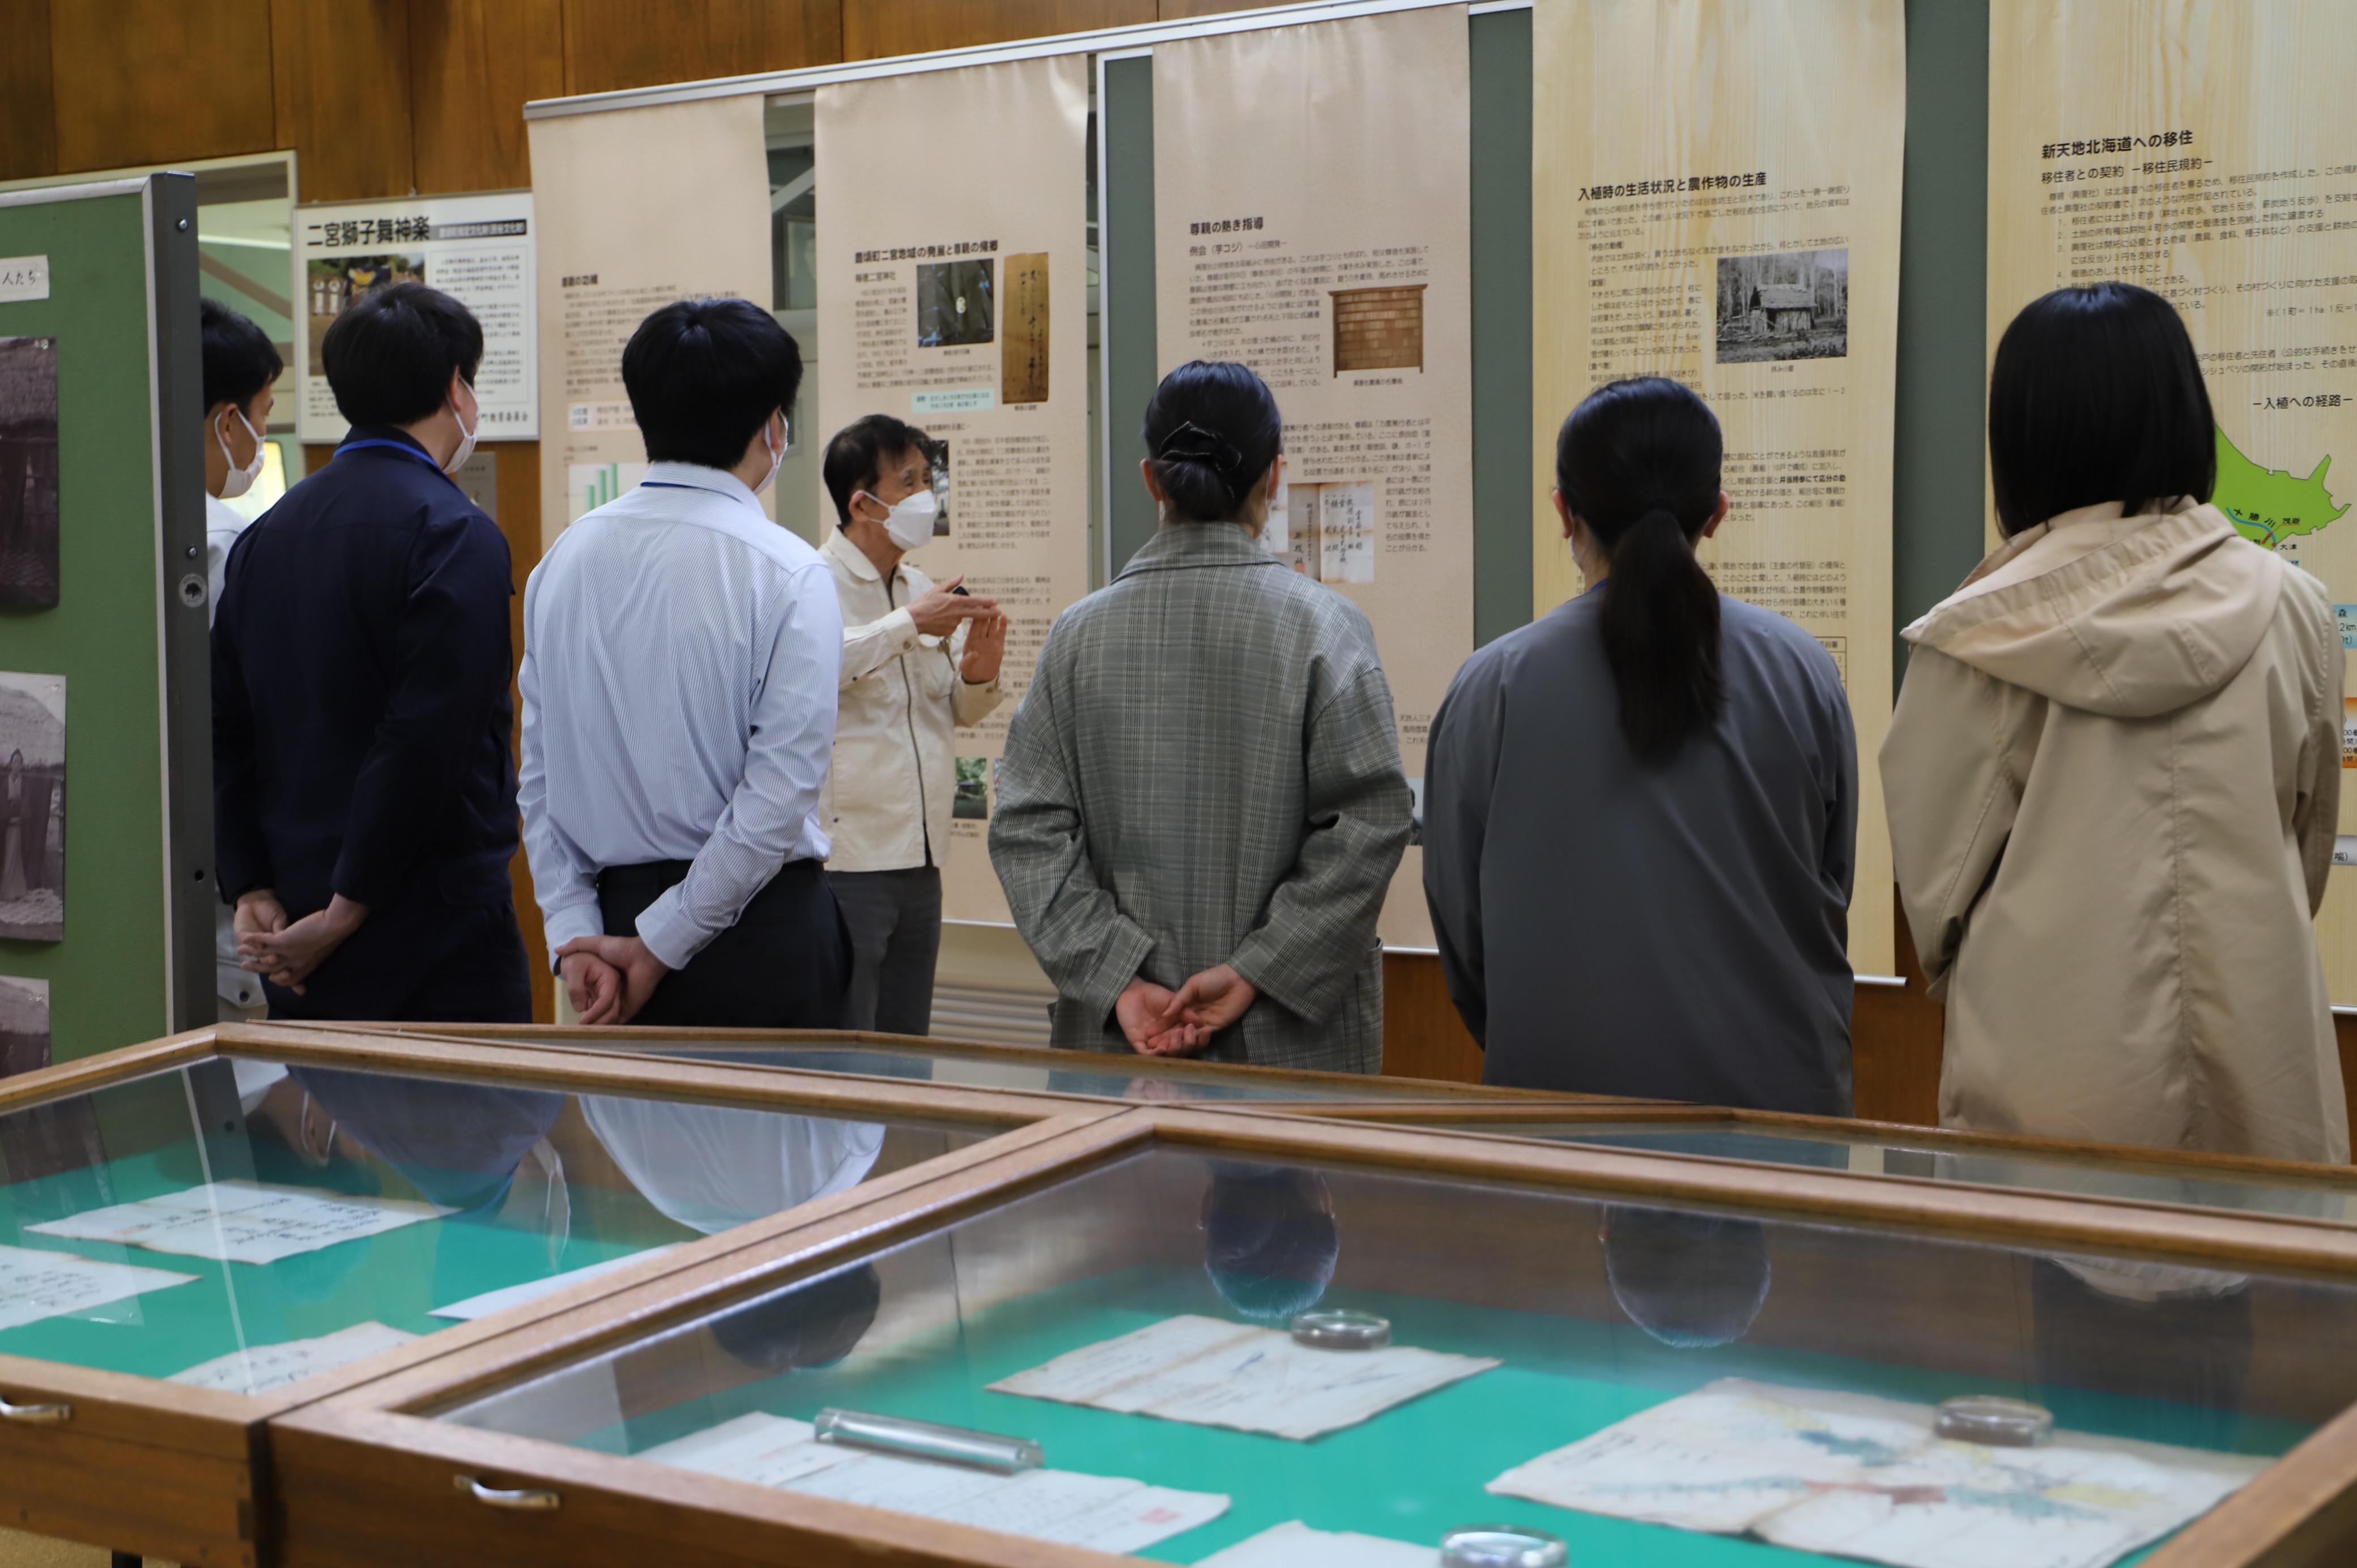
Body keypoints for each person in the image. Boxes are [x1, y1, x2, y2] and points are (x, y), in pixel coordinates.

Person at [1884, 282, 2347, 1161]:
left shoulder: (1974, 634)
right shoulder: (2296, 608)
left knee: (2069, 1269)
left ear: (2019, 436)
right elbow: (2305, 840)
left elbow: (1937, 899)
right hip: (2260, 1047)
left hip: (2051, 1070)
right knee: (2251, 1263)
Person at [1422, 377, 1857, 1111]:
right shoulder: (1803, 671)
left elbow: (1465, 935)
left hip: (1561, 1117)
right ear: (1715, 514)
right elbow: (1827, 887)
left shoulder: (1491, 688)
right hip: (1780, 1119)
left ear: (1565, 512)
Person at [991, 360, 1412, 1071]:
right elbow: (1370, 823)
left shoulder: (1076, 637)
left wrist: (1120, 976)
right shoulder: (1326, 628)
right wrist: (1255, 969)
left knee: (1119, 1186)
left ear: (1151, 478)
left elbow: (1026, 829)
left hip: (1121, 1045)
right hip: (1288, 1049)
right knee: (1296, 1184)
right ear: (1273, 477)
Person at [520, 298, 847, 1029]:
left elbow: (538, 779)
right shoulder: (787, 570)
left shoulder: (560, 564)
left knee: (631, 1140)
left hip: (605, 937)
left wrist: (575, 933)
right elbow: (778, 793)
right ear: (773, 425)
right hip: (754, 933)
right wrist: (659, 943)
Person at [213, 282, 530, 1022]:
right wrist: (347, 910)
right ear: (457, 387)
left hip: (293, 931)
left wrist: (254, 885)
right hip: (432, 930)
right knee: (470, 1131)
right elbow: (427, 738)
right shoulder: (456, 533)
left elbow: (226, 727)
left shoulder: (267, 536)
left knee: (331, 1125)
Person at [818, 415, 1006, 1036]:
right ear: (862, 503)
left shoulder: (919, 586)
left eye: (929, 478)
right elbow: (817, 668)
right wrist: (906, 626)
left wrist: (977, 675)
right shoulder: (811, 582)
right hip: (850, 861)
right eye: (911, 482)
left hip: (923, 857)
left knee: (906, 1039)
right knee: (848, 1043)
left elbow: (953, 708)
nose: (927, 495)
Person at [199, 297, 282, 1019]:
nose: (261, 436)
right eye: (263, 413)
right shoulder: (227, 542)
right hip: (223, 866)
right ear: (228, 422)